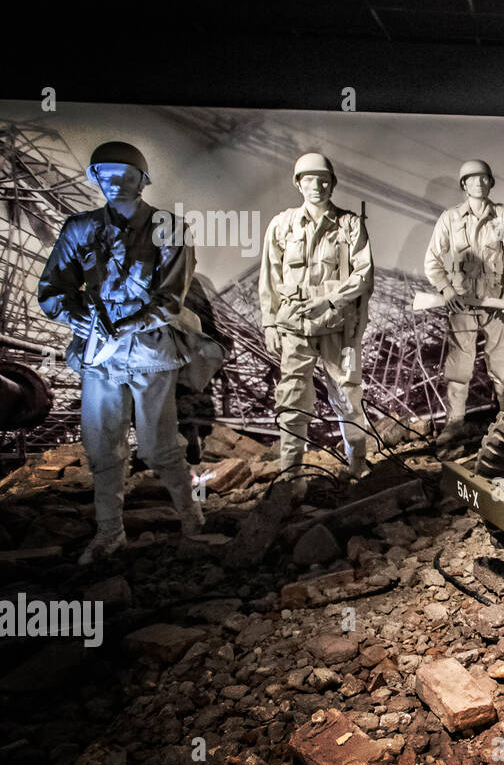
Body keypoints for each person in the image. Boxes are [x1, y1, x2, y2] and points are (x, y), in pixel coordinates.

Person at [38, 140, 219, 564]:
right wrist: (74, 315)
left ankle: (192, 522)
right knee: (103, 447)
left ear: (143, 179)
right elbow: (52, 290)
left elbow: (171, 299)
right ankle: (109, 533)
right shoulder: (79, 229)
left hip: (150, 350)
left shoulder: (169, 228)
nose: (116, 183)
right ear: (96, 178)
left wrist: (128, 324)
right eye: (107, 174)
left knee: (159, 447)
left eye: (126, 175)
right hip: (100, 352)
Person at [259, 153, 373, 478]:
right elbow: (270, 277)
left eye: (323, 180)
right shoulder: (282, 226)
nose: (317, 186)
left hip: (339, 327)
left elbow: (363, 273)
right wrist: (269, 322)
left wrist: (330, 300)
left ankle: (358, 467)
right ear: (298, 184)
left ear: (333, 184)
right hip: (295, 327)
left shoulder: (350, 224)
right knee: (293, 399)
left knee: (349, 396)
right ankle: (290, 475)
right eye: (308, 179)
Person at [424, 159, 504, 448]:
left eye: (483, 179)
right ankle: (454, 423)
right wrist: (446, 290)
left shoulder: (503, 216)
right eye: (472, 179)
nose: (478, 183)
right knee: (459, 366)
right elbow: (432, 261)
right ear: (464, 185)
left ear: (491, 183)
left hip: (496, 304)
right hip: (462, 304)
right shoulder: (450, 218)